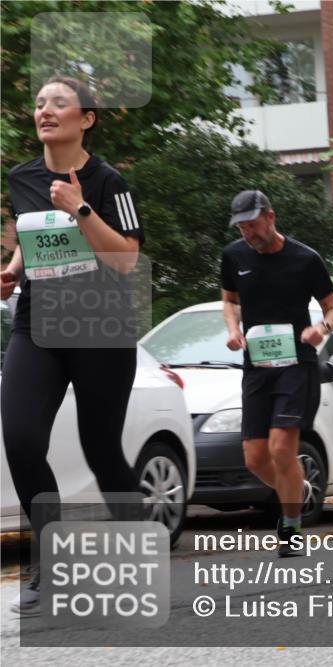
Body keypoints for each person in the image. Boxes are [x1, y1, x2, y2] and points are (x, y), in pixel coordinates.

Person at [1, 76, 146, 616]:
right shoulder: (22, 177)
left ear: (86, 118)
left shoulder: (110, 183)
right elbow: (31, 234)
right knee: (18, 437)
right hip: (37, 326)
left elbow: (126, 259)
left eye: (59, 102)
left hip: (100, 330)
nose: (45, 110)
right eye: (39, 102)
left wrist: (82, 208)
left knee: (101, 449)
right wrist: (12, 271)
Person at [221, 189, 333, 556]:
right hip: (257, 366)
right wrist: (232, 329)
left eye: (253, 224)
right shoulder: (233, 255)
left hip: (296, 365)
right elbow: (229, 299)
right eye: (241, 226)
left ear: (270, 217)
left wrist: (320, 329)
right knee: (254, 458)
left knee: (280, 447)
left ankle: (290, 525)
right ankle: (296, 489)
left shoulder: (305, 259)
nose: (248, 232)